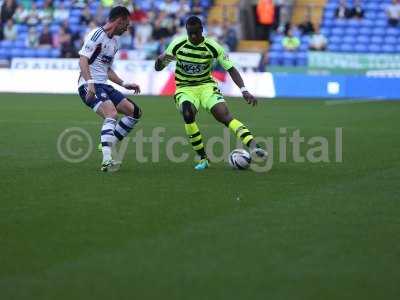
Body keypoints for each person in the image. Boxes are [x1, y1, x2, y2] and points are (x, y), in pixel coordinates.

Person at [154, 16, 267, 171]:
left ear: (202, 30)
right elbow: (158, 67)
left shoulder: (213, 47)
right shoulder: (177, 44)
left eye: (196, 33)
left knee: (223, 115)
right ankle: (203, 158)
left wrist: (244, 90)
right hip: (185, 88)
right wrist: (160, 60)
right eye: (190, 33)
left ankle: (254, 146)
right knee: (187, 114)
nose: (193, 37)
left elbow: (231, 68)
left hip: (206, 86)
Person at [78, 6, 142, 172]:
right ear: (119, 20)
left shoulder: (114, 42)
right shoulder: (96, 34)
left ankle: (107, 141)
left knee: (134, 112)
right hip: (88, 85)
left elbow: (107, 69)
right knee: (111, 114)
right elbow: (83, 60)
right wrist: (90, 83)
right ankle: (107, 160)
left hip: (103, 84)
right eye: (126, 24)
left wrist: (123, 83)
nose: (127, 29)